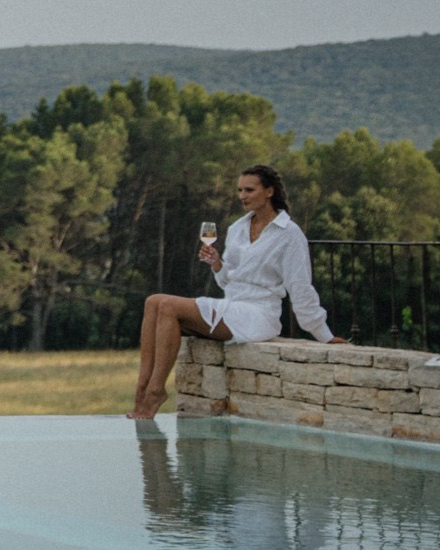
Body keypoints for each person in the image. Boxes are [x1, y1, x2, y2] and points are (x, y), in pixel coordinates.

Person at [131, 163, 339, 420]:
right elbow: (228, 281)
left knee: (168, 305)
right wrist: (217, 264)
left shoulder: (290, 234)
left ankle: (155, 391)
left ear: (269, 192)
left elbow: (301, 287)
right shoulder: (237, 228)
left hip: (259, 314)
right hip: (233, 306)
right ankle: (142, 388)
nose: (242, 195)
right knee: (153, 301)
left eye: (249, 190)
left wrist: (324, 335)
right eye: (240, 190)